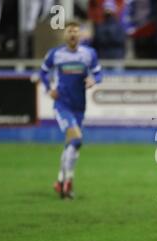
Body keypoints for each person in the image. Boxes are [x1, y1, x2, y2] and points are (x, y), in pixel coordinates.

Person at [40, 21, 103, 199]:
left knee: (71, 145)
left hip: (79, 107)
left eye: (76, 31)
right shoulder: (56, 54)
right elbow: (43, 72)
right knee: (76, 140)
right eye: (70, 31)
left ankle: (60, 181)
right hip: (62, 105)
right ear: (64, 35)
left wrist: (94, 80)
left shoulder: (89, 54)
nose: (73, 34)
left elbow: (99, 73)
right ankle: (68, 181)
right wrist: (48, 89)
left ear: (80, 35)